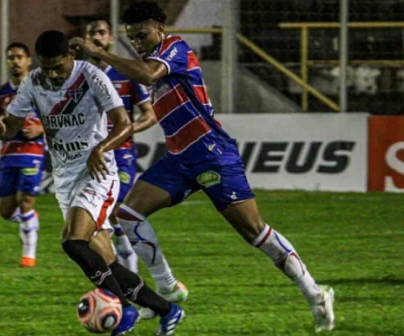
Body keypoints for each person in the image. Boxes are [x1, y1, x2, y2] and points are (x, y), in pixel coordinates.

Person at [70, 1, 336, 332]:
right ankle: (166, 286)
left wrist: (99, 52)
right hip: (179, 159)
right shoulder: (150, 62)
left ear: (160, 29)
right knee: (128, 214)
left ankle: (316, 294)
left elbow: (149, 73)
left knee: (255, 233)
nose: (138, 42)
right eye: (133, 38)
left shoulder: (174, 48)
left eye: (142, 35)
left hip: (212, 154)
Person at [0, 30, 184, 336]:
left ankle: (122, 310)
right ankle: (168, 310)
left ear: (70, 57)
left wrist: (101, 148)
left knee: (72, 241)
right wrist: (2, 131)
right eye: (46, 67)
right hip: (65, 178)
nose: (52, 74)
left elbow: (124, 122)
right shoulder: (34, 82)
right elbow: (12, 128)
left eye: (58, 67)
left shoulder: (91, 75)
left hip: (98, 173)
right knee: (107, 261)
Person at [86, 17, 188, 319]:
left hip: (120, 157)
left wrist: (124, 132)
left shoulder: (124, 73)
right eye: (92, 33)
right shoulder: (80, 75)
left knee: (120, 217)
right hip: (89, 158)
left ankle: (140, 293)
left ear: (110, 40)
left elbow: (150, 113)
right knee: (102, 225)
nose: (97, 38)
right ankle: (131, 293)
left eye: (102, 33)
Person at [0, 42, 45, 268]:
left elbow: (59, 117)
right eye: (11, 57)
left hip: (33, 150)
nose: (15, 61)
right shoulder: (1, 93)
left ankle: (29, 255)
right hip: (9, 153)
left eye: (20, 57)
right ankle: (29, 219)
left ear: (29, 60)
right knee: (5, 211)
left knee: (26, 201)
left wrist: (41, 129)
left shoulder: (42, 88)